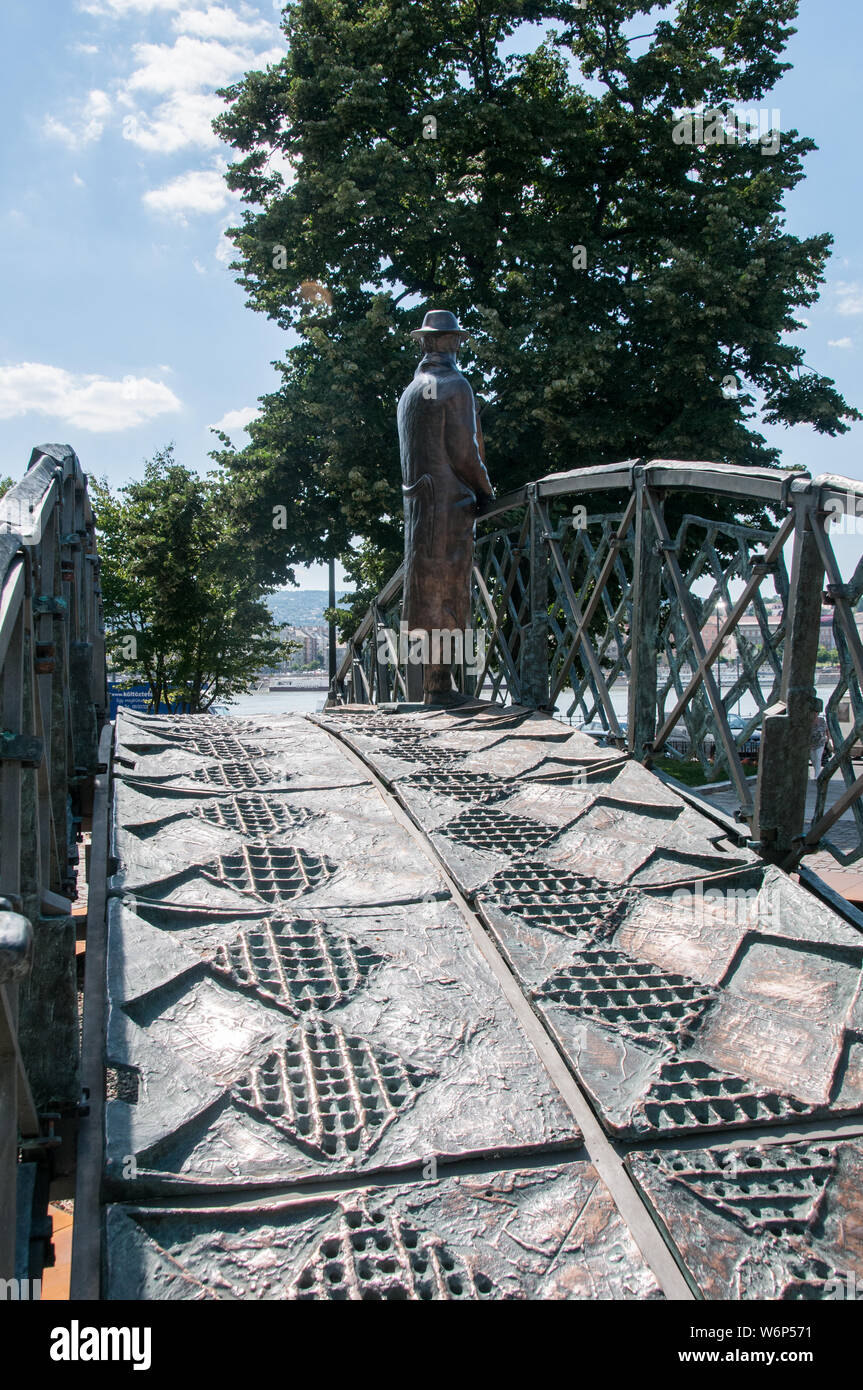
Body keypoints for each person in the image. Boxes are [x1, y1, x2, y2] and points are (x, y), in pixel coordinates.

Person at [397, 309, 494, 703]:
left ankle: (435, 683)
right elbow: (465, 452)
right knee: (449, 593)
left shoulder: (409, 392)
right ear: (438, 342)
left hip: (420, 510)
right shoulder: (455, 384)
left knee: (426, 591)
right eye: (452, 339)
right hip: (450, 507)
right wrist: (486, 490)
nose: (455, 345)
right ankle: (439, 685)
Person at [810, 699, 828, 778]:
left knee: (818, 758)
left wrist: (828, 740)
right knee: (813, 759)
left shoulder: (822, 720)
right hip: (810, 744)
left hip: (820, 743)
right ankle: (815, 773)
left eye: (816, 713)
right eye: (814, 713)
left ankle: (817, 776)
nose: (815, 714)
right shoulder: (808, 721)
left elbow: (826, 730)